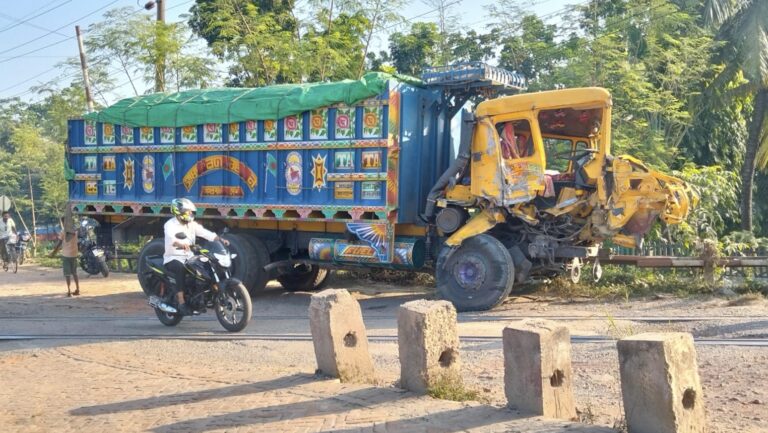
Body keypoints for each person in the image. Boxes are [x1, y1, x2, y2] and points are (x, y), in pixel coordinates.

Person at [164, 198, 228, 316]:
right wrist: (181, 244)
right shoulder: (170, 225)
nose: (190, 214)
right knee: (180, 269)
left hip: (189, 256)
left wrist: (219, 239)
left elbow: (205, 233)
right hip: (174, 257)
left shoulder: (191, 224)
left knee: (205, 267)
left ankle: (202, 296)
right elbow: (171, 239)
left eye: (191, 212)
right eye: (188, 212)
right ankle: (181, 301)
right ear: (179, 211)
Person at [49, 209, 80, 296]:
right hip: (74, 254)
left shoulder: (63, 232)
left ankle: (69, 291)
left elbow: (58, 244)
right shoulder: (75, 231)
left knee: (67, 274)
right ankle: (78, 289)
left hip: (66, 255)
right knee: (74, 273)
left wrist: (53, 253)